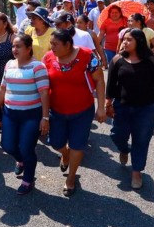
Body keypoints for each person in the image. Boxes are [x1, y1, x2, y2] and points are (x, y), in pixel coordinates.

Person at [42, 28, 107, 196]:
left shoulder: (87, 56)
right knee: (55, 143)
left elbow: (99, 80)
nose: (52, 47)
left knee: (77, 145)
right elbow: (42, 86)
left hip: (82, 111)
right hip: (57, 112)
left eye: (56, 44)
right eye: (51, 44)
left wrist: (101, 107)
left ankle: (70, 178)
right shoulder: (48, 58)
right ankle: (65, 154)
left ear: (68, 44)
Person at [106, 28, 154, 189]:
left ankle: (136, 172)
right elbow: (111, 85)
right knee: (116, 135)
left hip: (146, 109)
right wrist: (108, 104)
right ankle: (124, 149)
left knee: (141, 140)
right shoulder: (117, 60)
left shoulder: (151, 62)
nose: (125, 42)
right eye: (124, 39)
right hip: (122, 107)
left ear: (139, 42)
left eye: (129, 40)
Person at [0, 34, 50, 195]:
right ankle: (21, 161)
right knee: (7, 145)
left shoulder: (37, 67)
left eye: (18, 46)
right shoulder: (9, 64)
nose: (14, 49)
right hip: (10, 113)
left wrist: (45, 118)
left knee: (26, 148)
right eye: (13, 46)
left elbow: (44, 94)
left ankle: (28, 179)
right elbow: (3, 88)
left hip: (31, 115)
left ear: (28, 48)